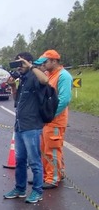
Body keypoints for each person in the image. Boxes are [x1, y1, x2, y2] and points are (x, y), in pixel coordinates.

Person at [3, 52, 49, 204]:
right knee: (20, 159)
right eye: (17, 64)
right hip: (20, 125)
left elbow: (45, 80)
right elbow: (17, 101)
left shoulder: (35, 75)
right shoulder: (22, 79)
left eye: (20, 63)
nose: (19, 67)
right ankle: (20, 188)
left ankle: (37, 191)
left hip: (32, 126)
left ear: (28, 62)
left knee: (34, 160)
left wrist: (30, 66)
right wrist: (13, 87)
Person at [33, 50, 73, 188]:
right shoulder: (48, 75)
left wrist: (49, 115)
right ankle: (47, 175)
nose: (43, 65)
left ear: (54, 61)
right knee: (44, 148)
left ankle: (53, 178)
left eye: (46, 62)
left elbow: (64, 99)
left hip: (54, 120)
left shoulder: (63, 76)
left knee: (52, 149)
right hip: (47, 120)